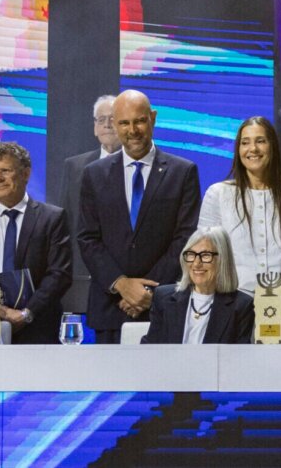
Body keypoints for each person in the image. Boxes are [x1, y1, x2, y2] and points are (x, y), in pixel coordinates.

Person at [77, 89, 201, 343]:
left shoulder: (183, 172)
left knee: (163, 383)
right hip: (110, 307)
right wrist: (121, 284)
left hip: (163, 305)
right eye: (123, 122)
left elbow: (185, 238)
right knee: (110, 383)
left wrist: (147, 291)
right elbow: (88, 238)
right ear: (114, 124)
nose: (132, 130)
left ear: (153, 118)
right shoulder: (93, 174)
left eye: (139, 121)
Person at [0, 142, 73, 344]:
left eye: (5, 171)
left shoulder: (52, 218)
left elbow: (59, 274)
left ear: (25, 173)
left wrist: (27, 313)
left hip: (38, 329)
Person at [198, 116, 281, 296]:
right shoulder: (218, 194)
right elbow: (205, 254)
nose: (252, 149)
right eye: (245, 143)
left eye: (260, 141)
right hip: (230, 304)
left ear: (273, 147)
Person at [60, 94, 121, 312]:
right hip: (84, 271)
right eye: (100, 119)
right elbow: (67, 220)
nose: (106, 124)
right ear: (94, 127)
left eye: (113, 118)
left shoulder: (139, 167)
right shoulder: (75, 166)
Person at [143, 227, 253, 344]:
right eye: (191, 254)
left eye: (205, 255)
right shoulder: (163, 298)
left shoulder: (241, 306)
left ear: (222, 260)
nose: (196, 263)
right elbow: (150, 348)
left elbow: (240, 358)